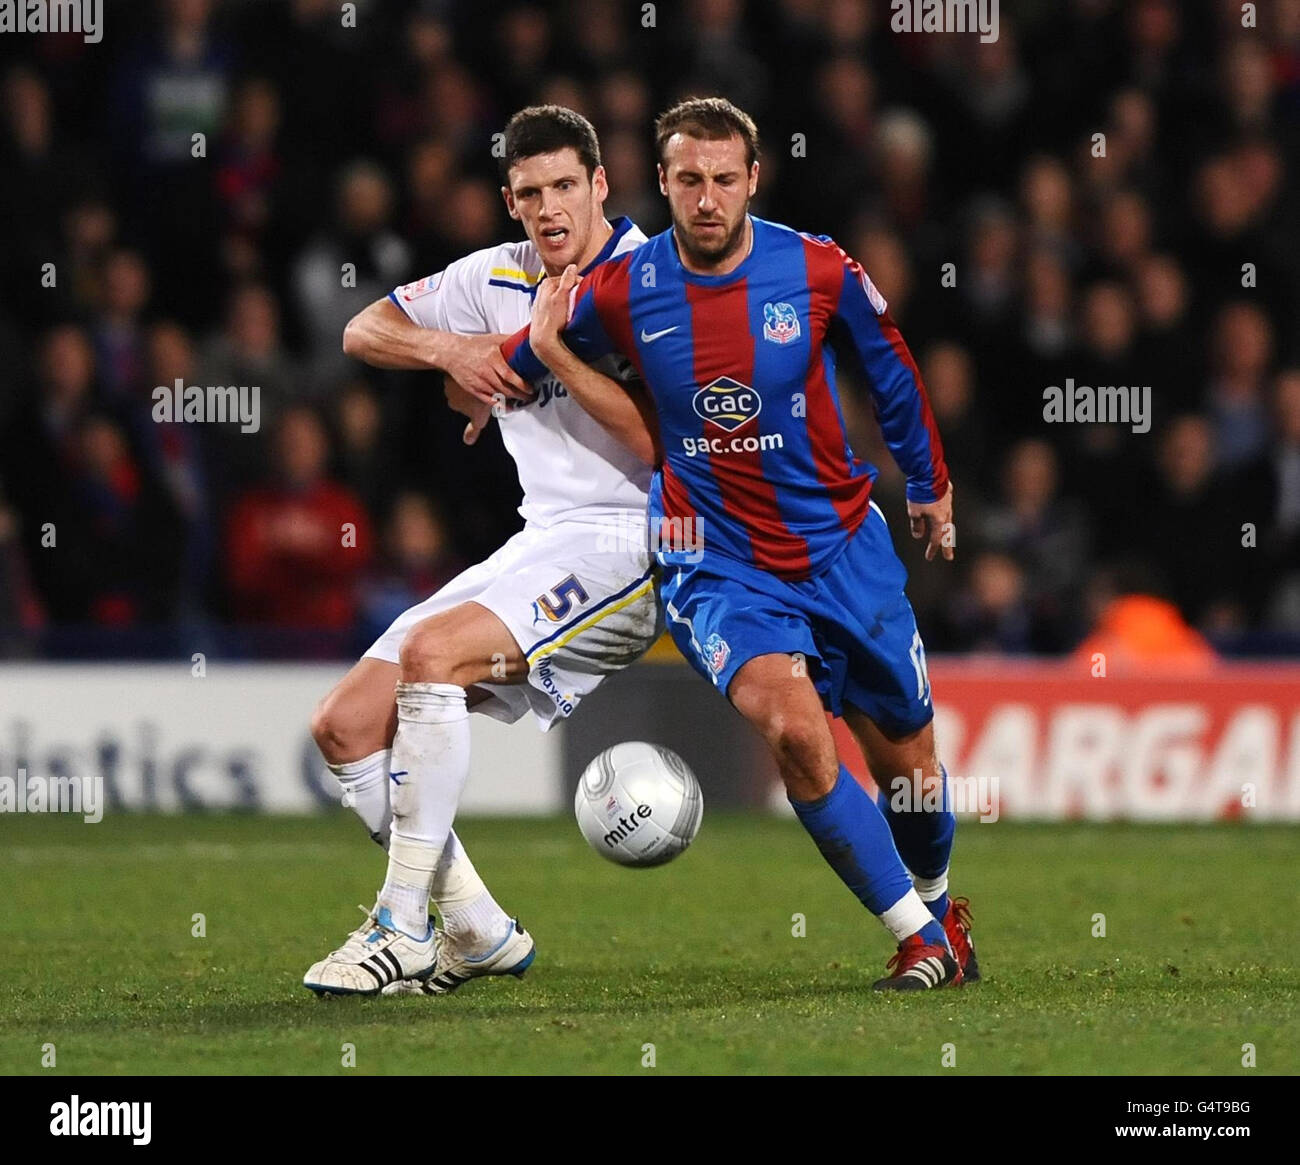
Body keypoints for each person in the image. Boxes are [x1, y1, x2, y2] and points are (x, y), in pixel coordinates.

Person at [505, 98, 977, 990]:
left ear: (754, 179)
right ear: (664, 182)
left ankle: (939, 900)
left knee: (909, 765)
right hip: (714, 561)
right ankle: (919, 940)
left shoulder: (817, 268)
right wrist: (476, 376)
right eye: (689, 179)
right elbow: (524, 352)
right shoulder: (625, 287)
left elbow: (892, 368)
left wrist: (929, 482)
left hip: (842, 548)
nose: (707, 198)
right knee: (796, 731)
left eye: (725, 179)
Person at [302, 106, 662, 995]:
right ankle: (477, 927)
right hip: (539, 538)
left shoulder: (650, 281)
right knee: (344, 725)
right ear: (510, 199)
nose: (549, 209)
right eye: (530, 192)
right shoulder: (494, 274)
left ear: (601, 186)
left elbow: (664, 444)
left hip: (631, 539)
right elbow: (363, 330)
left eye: (566, 188)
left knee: (431, 656)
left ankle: (402, 927)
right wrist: (456, 351)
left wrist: (538, 356)